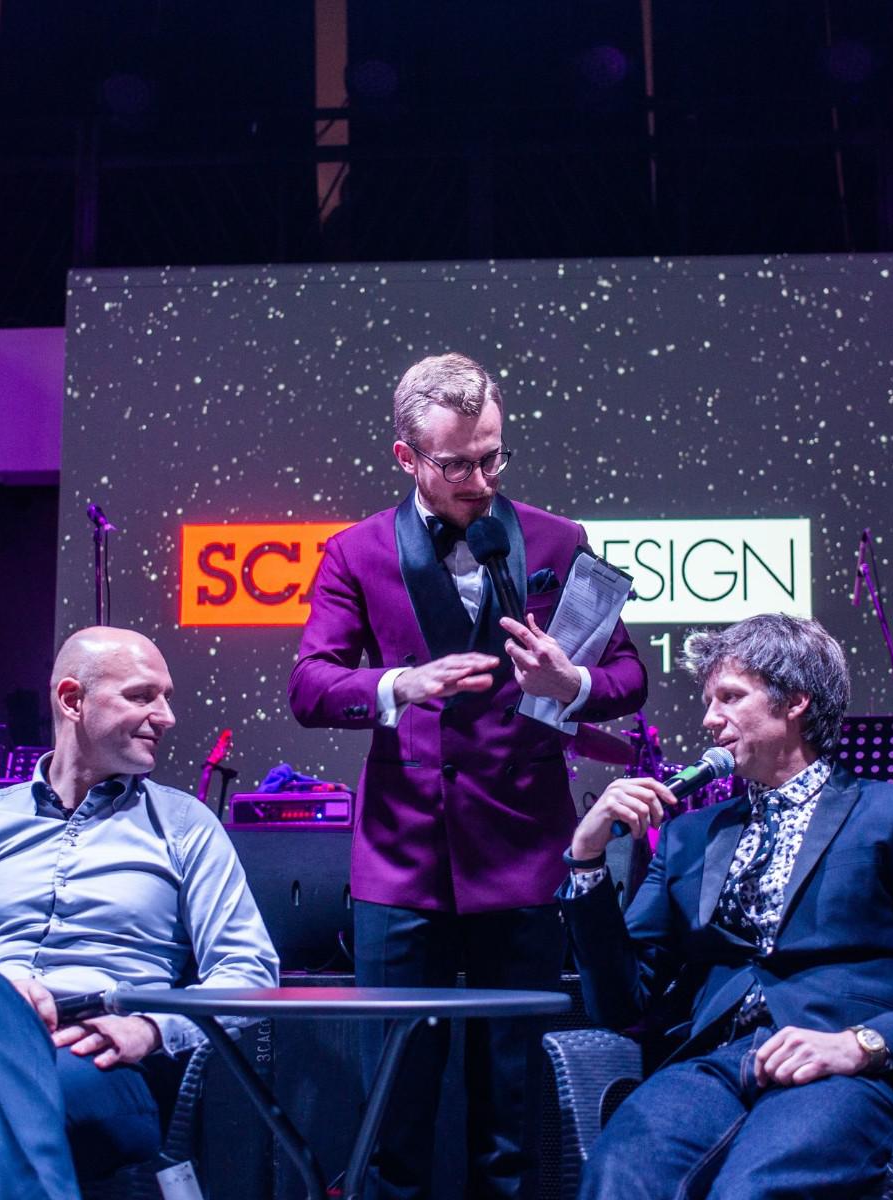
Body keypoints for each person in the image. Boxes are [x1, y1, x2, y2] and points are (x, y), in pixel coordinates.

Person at [289, 352, 648, 1199]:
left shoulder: (559, 540)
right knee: (395, 1111)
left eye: (493, 457)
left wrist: (571, 682)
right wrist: (398, 685)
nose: (482, 481)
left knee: (512, 1114)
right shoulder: (355, 551)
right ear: (406, 457)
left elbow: (629, 678)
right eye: (458, 465)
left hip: (524, 851)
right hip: (403, 860)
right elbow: (309, 686)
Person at [559, 614, 893, 1199]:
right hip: (712, 1066)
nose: (709, 719)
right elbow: (619, 1002)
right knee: (618, 1176)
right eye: (708, 701)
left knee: (752, 1191)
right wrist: (587, 859)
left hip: (835, 1068)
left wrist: (861, 1044)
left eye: (729, 697)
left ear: (795, 701)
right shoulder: (689, 835)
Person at [0, 626, 280, 1200]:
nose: (166, 717)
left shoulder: (187, 828)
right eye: (142, 696)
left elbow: (249, 972)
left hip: (95, 1062)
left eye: (167, 698)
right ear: (73, 700)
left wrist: (152, 1028)